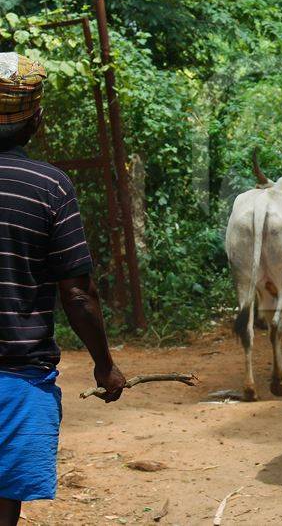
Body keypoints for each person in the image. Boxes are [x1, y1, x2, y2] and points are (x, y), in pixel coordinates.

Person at [0, 53, 125, 526]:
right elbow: (76, 295)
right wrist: (104, 365)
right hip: (15, 378)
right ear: (35, 118)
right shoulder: (49, 188)